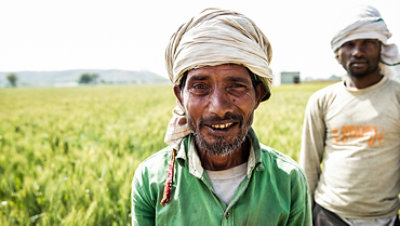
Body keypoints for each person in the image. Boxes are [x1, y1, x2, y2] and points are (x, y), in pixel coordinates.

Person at [132, 8, 312, 225]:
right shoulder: (151, 180)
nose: (218, 108)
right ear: (180, 97)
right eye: (200, 86)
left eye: (235, 86)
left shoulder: (288, 180)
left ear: (258, 96)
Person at [299, 5, 400, 226]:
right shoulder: (322, 100)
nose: (358, 52)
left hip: (384, 218)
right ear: (338, 54)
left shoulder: (396, 95)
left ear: (381, 47)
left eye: (367, 43)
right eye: (349, 44)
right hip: (329, 215)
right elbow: (309, 164)